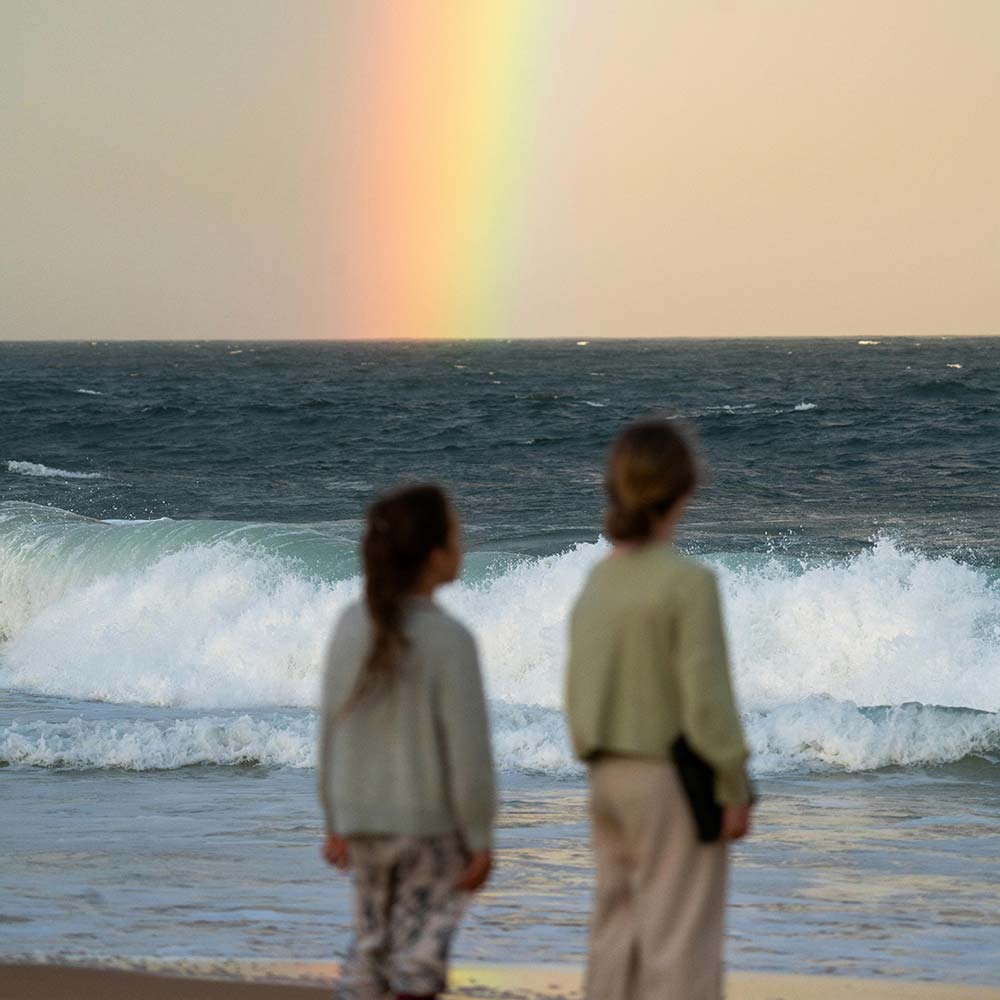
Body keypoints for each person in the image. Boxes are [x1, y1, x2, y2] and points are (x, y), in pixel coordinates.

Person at [565, 419, 752, 1000]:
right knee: (680, 947)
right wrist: (735, 783)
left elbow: (579, 685)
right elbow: (706, 700)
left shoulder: (600, 578)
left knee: (615, 937)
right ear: (685, 488)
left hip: (606, 775)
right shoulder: (687, 581)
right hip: (670, 780)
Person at [317, 483, 496, 1000]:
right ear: (435, 556)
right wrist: (480, 834)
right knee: (418, 962)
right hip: (430, 831)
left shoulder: (351, 625)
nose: (463, 547)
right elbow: (468, 752)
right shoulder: (449, 639)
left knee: (371, 950)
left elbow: (330, 728)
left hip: (362, 823)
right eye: (458, 537)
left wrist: (334, 819)